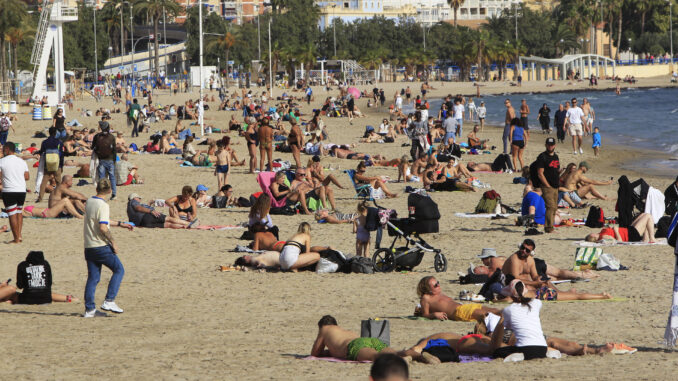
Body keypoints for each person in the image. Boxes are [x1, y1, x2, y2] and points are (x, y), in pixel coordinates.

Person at [83, 179, 133, 318]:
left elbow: (101, 220)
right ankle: (109, 301)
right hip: (101, 246)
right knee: (119, 270)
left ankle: (89, 310)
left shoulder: (90, 201)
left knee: (93, 278)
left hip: (89, 247)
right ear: (110, 191)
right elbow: (103, 227)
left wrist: (120, 224)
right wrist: (113, 242)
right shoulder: (103, 205)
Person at [492, 280, 548, 360]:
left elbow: (507, 327)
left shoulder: (509, 310)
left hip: (525, 349)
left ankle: (519, 355)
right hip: (543, 348)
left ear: (511, 295)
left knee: (497, 352)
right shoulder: (537, 303)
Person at [0, 251, 78, 304]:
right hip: (44, 298)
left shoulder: (22, 265)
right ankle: (68, 298)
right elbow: (49, 283)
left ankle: (7, 300)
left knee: (33, 292)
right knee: (12, 289)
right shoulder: (46, 264)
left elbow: (20, 285)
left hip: (27, 298)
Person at [311, 315, 396, 362]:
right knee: (391, 353)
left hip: (354, 345)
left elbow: (315, 353)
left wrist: (327, 352)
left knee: (375, 356)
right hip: (367, 339)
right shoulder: (342, 331)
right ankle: (404, 354)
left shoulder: (324, 329)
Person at [416, 276, 500, 323]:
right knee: (488, 315)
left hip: (465, 307)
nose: (438, 285)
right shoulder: (426, 298)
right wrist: (434, 315)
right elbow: (425, 315)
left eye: (438, 283)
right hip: (459, 312)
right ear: (428, 289)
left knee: (496, 310)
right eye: (435, 285)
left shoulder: (438, 294)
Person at [0, 142, 29, 243]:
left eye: (3, 149)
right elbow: (27, 177)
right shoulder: (21, 161)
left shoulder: (2, 161)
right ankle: (19, 235)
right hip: (21, 190)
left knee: (12, 214)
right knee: (19, 212)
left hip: (9, 190)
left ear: (7, 149)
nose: (2, 151)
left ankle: (16, 239)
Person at [533, 138, 560, 233]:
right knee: (551, 207)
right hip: (547, 186)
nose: (550, 146)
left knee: (554, 207)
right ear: (545, 145)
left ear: (555, 145)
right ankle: (548, 228)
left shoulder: (556, 157)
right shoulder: (542, 156)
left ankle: (551, 226)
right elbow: (540, 173)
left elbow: (556, 170)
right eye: (548, 145)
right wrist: (547, 185)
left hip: (556, 186)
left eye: (552, 145)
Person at [127, 193, 192, 229]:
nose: (140, 200)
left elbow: (132, 221)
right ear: (134, 198)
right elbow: (138, 208)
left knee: (168, 225)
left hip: (144, 224)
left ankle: (183, 227)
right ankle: (189, 224)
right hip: (147, 217)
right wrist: (150, 211)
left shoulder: (129, 210)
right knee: (169, 219)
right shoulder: (133, 202)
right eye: (139, 198)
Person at [586, 213, 656, 243]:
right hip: (630, 235)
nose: (591, 233)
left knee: (643, 214)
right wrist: (616, 230)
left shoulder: (601, 233)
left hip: (628, 231)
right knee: (648, 216)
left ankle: (646, 239)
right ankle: (652, 238)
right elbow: (619, 241)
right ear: (592, 236)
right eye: (590, 234)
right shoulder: (603, 237)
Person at [37, 127, 63, 203]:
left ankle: (40, 198)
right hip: (56, 164)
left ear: (49, 132)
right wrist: (61, 165)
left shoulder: (45, 142)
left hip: (47, 164)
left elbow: (42, 152)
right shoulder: (59, 142)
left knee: (44, 182)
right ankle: (60, 196)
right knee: (58, 182)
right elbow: (62, 155)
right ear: (55, 133)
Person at [92, 122, 117, 200]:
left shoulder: (97, 136)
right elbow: (114, 150)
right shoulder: (112, 137)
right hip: (110, 159)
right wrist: (114, 160)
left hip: (101, 159)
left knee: (102, 178)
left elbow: (93, 147)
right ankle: (114, 194)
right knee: (112, 177)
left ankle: (101, 193)